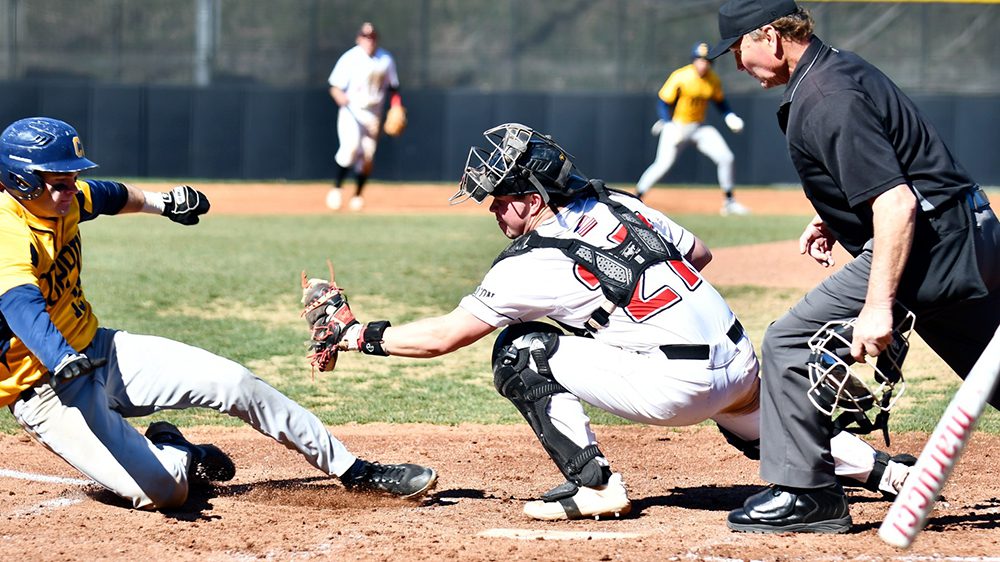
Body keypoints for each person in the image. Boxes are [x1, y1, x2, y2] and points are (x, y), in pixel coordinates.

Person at [304, 122, 914, 521]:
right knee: (751, 422)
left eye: (497, 196)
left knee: (520, 351)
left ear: (531, 196)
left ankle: (594, 485)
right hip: (740, 361)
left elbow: (443, 339)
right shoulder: (615, 200)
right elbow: (697, 256)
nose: (492, 209)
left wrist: (357, 335)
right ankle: (890, 475)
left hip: (677, 387)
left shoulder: (531, 260)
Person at [0, 117, 437, 510]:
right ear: (20, 182)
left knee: (236, 382)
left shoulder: (66, 198)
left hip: (98, 349)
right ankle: (180, 454)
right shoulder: (7, 229)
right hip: (46, 388)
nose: (70, 190)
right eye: (58, 182)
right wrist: (60, 357)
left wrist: (164, 202)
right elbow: (20, 304)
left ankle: (355, 470)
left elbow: (110, 195)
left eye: (73, 178)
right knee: (166, 493)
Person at [707, 0, 1000, 533]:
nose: (738, 63)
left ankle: (807, 493)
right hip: (963, 235)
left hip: (929, 249)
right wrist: (835, 219)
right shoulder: (835, 69)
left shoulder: (825, 95)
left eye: (738, 48)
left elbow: (896, 203)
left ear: (769, 36)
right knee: (993, 367)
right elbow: (898, 170)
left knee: (788, 344)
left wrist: (877, 305)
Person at [636, 41, 749, 216]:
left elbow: (720, 102)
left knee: (726, 157)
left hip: (699, 127)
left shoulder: (713, 79)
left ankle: (729, 202)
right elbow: (663, 102)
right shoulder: (681, 76)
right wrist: (667, 123)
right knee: (662, 165)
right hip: (677, 126)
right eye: (700, 59)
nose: (703, 63)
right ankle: (636, 198)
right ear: (694, 60)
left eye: (707, 60)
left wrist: (729, 116)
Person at [325, 21, 401, 212]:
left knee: (367, 157)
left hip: (373, 114)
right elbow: (334, 86)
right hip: (352, 110)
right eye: (366, 37)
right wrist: (338, 95)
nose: (369, 40)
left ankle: (358, 195)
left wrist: (396, 106)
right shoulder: (350, 58)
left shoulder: (386, 59)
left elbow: (393, 87)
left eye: (372, 37)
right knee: (350, 148)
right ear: (359, 38)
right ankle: (336, 188)